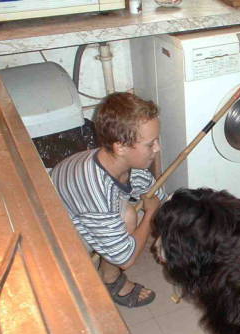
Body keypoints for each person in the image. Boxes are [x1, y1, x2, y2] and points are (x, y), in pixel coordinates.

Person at [51, 92, 165, 308]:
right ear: (120, 146)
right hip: (55, 227)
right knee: (131, 218)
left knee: (137, 210)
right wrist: (150, 215)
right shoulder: (96, 191)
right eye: (150, 144)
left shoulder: (121, 162)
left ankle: (102, 257)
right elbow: (126, 258)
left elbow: (156, 193)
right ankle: (109, 280)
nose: (157, 149)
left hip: (77, 202)